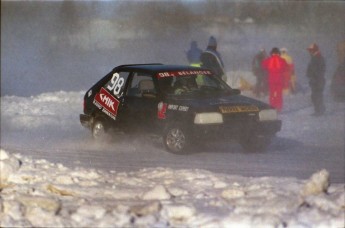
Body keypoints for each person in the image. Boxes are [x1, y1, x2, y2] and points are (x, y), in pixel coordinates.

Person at [262, 47, 288, 112]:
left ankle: (272, 107)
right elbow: (286, 68)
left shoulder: (268, 60)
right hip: (279, 79)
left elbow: (263, 66)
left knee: (272, 94)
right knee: (279, 95)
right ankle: (279, 108)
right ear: (278, 53)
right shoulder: (282, 60)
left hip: (271, 79)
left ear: (272, 53)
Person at [306, 43, 326, 116]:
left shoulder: (317, 58)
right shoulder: (315, 57)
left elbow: (320, 70)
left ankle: (319, 111)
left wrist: (313, 76)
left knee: (317, 96)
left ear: (314, 50)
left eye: (310, 50)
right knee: (316, 96)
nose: (309, 52)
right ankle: (319, 110)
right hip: (316, 80)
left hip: (317, 81)